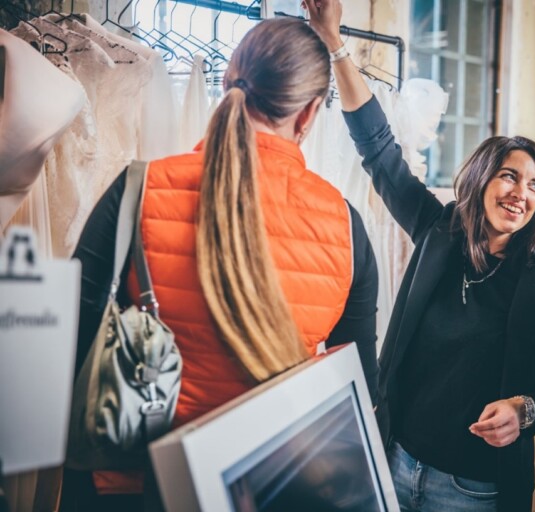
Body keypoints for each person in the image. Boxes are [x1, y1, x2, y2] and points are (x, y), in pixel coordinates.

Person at [62, 18, 379, 511]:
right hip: (259, 487)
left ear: (231, 80)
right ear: (310, 113)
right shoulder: (346, 225)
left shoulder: (138, 189)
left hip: (136, 485)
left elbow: (71, 347)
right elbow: (357, 389)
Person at [305, 3, 535, 510]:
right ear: (481, 179)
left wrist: (522, 412)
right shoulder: (440, 232)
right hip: (396, 460)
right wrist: (334, 44)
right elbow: (379, 151)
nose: (521, 192)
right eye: (510, 175)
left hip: (474, 490)